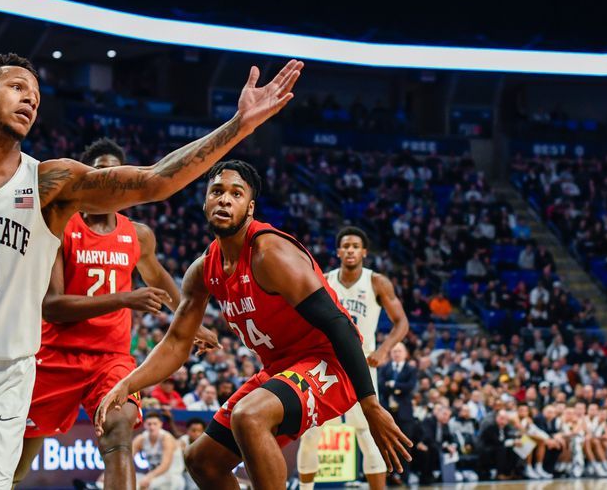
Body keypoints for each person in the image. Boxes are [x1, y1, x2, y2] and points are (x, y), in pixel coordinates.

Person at [0, 54, 303, 489]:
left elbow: (154, 181)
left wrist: (239, 125)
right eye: (18, 87)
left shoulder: (51, 183)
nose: (31, 98)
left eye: (37, 94)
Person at [95, 160, 411, 489]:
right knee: (202, 460)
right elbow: (176, 343)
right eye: (217, 191)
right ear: (204, 202)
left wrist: (371, 404)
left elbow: (339, 324)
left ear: (250, 207)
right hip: (282, 368)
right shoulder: (203, 270)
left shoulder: (270, 253)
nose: (225, 199)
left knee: (249, 415)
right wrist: (127, 385)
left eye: (236, 193)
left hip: (331, 362)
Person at [13, 137, 218, 487]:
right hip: (56, 354)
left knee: (119, 430)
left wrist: (190, 318)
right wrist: (124, 299)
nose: (107, 180)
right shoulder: (61, 225)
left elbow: (158, 278)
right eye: (98, 172)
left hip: (111, 359)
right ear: (87, 179)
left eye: (114, 173)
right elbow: (53, 307)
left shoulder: (138, 235)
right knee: (14, 466)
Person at [297, 226, 409, 490]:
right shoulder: (324, 280)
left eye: (355, 246)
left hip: (364, 364)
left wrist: (384, 350)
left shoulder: (377, 282)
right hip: (328, 365)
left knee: (370, 433)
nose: (350, 250)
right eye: (345, 246)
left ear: (364, 252)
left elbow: (401, 322)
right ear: (338, 251)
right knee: (311, 433)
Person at [133, 413, 185, 489]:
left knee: (145, 486)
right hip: (155, 476)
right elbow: (127, 458)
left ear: (160, 424)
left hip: (172, 476)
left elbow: (165, 465)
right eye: (149, 424)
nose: (152, 427)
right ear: (144, 425)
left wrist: (148, 477)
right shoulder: (141, 438)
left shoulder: (166, 438)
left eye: (155, 424)